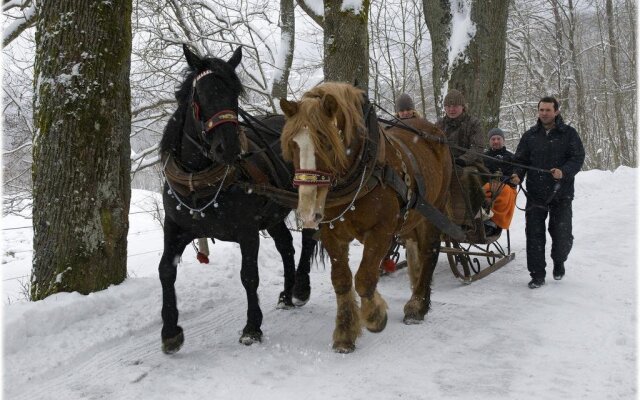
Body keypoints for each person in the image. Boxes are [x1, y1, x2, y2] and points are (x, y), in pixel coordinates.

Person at [510, 96, 585, 289]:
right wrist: (517, 175)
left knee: (562, 235)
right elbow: (520, 160)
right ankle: (537, 275)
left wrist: (564, 172)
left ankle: (559, 261)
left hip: (561, 194)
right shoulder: (530, 136)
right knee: (534, 236)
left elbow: (577, 158)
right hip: (535, 194)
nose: (544, 113)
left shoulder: (569, 134)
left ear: (556, 112)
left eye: (548, 110)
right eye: (541, 110)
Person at [436, 89, 485, 227]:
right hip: (444, 163)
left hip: (469, 164)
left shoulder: (474, 123)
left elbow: (478, 147)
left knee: (461, 176)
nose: (451, 109)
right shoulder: (439, 124)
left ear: (463, 107)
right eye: (448, 106)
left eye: (455, 106)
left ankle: (466, 216)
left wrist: (462, 160)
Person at [482, 128, 517, 236]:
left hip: (506, 188)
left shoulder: (511, 157)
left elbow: (516, 176)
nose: (496, 141)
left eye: (498, 138)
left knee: (504, 191)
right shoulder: (484, 157)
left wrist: (514, 178)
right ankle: (480, 218)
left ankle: (493, 222)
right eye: (493, 139)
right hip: (487, 186)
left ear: (503, 140)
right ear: (489, 141)